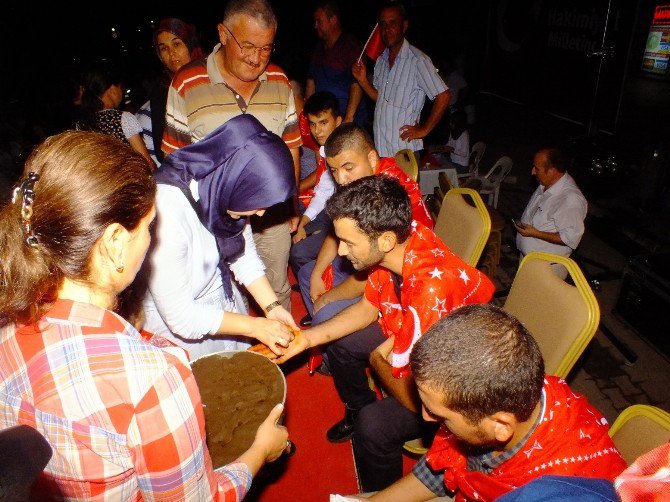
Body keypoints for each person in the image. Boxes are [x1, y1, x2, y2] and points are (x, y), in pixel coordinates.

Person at [0, 131, 290, 500]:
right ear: (115, 244)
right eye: (149, 227)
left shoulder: (10, 323)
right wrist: (258, 453)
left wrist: (270, 307)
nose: (153, 239)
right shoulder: (153, 379)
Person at [268, 176, 494, 491]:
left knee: (373, 427)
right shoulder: (398, 245)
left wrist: (378, 359)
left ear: (385, 240)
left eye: (348, 242)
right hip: (408, 336)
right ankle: (358, 404)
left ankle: (377, 491)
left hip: (456, 390)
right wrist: (308, 338)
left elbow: (420, 402)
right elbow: (365, 309)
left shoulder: (431, 293)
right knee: (340, 343)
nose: (342, 252)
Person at [366, 304, 626, 501]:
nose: (425, 418)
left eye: (441, 416)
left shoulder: (561, 489)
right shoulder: (503, 395)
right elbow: (443, 467)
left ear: (501, 427)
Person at [163, 0, 301, 312]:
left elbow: (291, 146)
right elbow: (176, 161)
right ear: (223, 34)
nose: (257, 59)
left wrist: (292, 203)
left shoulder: (279, 80)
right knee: (222, 293)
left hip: (272, 212)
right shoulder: (187, 83)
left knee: (275, 285)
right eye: (248, 46)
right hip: (210, 215)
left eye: (266, 48)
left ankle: (278, 358)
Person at [143, 114, 299, 361]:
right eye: (257, 204)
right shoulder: (165, 213)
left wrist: (272, 307)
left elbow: (243, 255)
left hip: (219, 298)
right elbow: (182, 318)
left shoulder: (224, 188)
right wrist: (255, 327)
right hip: (178, 321)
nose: (260, 213)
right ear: (236, 180)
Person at [298, 123, 433, 328]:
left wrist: (327, 298)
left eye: (348, 168)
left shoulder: (383, 198)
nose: (341, 179)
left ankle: (329, 341)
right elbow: (339, 233)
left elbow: (375, 274)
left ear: (371, 158)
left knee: (326, 313)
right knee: (309, 273)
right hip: (366, 263)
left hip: (398, 285)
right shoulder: (363, 181)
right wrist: (318, 273)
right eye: (334, 171)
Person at [352, 1, 450, 158]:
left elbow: (444, 95)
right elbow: (381, 99)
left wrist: (424, 130)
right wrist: (363, 81)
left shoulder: (417, 60)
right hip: (382, 149)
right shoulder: (381, 61)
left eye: (392, 23)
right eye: (383, 24)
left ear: (404, 26)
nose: (387, 29)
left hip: (405, 151)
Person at [136, 18, 204, 166]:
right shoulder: (162, 91)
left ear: (190, 43)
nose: (172, 54)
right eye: (164, 48)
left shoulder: (212, 76)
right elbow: (163, 148)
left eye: (177, 44)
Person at [514, 147, 587, 279]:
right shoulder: (546, 184)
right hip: (529, 259)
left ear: (552, 171)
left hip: (546, 269)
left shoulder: (570, 199)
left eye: (537, 168)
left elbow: (570, 238)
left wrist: (535, 233)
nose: (532, 172)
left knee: (536, 300)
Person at [289, 91, 341, 276]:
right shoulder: (326, 149)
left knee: (298, 253)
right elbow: (324, 191)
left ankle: (319, 285)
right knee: (291, 234)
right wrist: (302, 222)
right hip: (331, 212)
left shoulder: (347, 150)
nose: (317, 131)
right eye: (313, 124)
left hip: (348, 218)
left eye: (324, 123)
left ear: (338, 121)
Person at [77, 61, 156, 170]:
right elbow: (146, 163)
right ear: (112, 89)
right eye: (120, 87)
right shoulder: (122, 118)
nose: (122, 92)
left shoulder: (80, 125)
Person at [307, 1, 367, 126]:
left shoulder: (351, 46)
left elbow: (357, 84)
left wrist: (348, 119)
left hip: (348, 123)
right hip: (323, 122)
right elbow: (311, 82)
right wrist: (308, 115)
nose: (315, 25)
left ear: (333, 19)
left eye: (319, 21)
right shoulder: (318, 49)